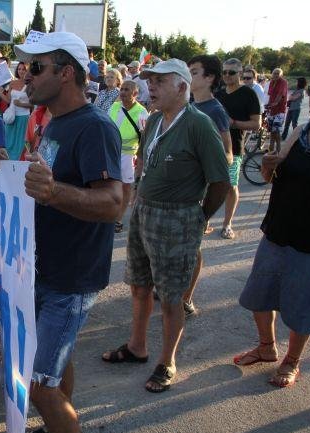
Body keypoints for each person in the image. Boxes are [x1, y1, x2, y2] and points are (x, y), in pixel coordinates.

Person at [1, 32, 124, 433]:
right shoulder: (57, 121)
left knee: (39, 385)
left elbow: (112, 203)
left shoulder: (95, 128)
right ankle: (58, 430)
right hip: (44, 268)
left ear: (66, 72)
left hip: (71, 279)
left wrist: (53, 191)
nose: (26, 76)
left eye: (35, 68)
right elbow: (49, 179)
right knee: (56, 362)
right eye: (25, 68)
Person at [101, 59, 230, 394]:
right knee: (139, 285)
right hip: (145, 211)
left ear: (182, 87)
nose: (150, 88)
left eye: (158, 82)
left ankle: (167, 361)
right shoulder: (155, 119)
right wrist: (139, 193)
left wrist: (200, 217)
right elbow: (144, 158)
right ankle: (137, 347)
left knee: (171, 297)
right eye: (150, 81)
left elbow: (220, 181)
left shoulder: (199, 125)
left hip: (177, 217)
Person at [234, 68, 310, 388]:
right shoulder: (302, 130)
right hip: (278, 228)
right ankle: (267, 347)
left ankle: (292, 361)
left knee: (302, 303)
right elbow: (274, 176)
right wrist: (268, 167)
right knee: (259, 294)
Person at [182, 55, 234, 317]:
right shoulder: (189, 104)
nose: (188, 76)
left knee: (193, 246)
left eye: (193, 71)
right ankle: (173, 288)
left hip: (198, 190)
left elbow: (228, 155)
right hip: (181, 189)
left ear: (209, 78)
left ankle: (186, 296)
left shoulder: (215, 110)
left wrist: (200, 162)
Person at [216, 58, 261, 240]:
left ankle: (227, 224)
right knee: (206, 185)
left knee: (231, 186)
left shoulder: (248, 94)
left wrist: (233, 123)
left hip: (234, 148)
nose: (227, 75)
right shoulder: (218, 94)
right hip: (212, 147)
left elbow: (256, 124)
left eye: (231, 72)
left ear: (240, 73)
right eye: (224, 72)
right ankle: (205, 220)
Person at [107, 80, 148, 233]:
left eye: (127, 90)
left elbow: (145, 137)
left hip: (128, 155)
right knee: (109, 183)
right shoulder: (115, 106)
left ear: (135, 94)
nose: (123, 92)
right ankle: (108, 212)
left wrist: (140, 159)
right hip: (111, 152)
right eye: (122, 89)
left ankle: (118, 218)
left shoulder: (142, 112)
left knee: (125, 186)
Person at [3, 61, 32, 160]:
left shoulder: (31, 85)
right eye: (19, 69)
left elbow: (33, 104)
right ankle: (8, 162)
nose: (21, 71)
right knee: (9, 140)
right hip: (11, 117)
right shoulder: (12, 83)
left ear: (28, 70)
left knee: (20, 143)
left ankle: (18, 164)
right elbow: (8, 100)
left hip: (23, 117)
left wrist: (21, 104)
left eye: (24, 69)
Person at [266, 68, 289, 152]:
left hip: (280, 110)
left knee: (276, 130)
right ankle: (271, 148)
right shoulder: (272, 82)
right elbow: (270, 95)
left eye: (277, 73)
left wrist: (275, 103)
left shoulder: (283, 82)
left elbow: (280, 94)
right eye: (274, 73)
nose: (275, 75)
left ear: (281, 75)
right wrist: (268, 104)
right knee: (272, 131)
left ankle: (278, 149)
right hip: (272, 110)